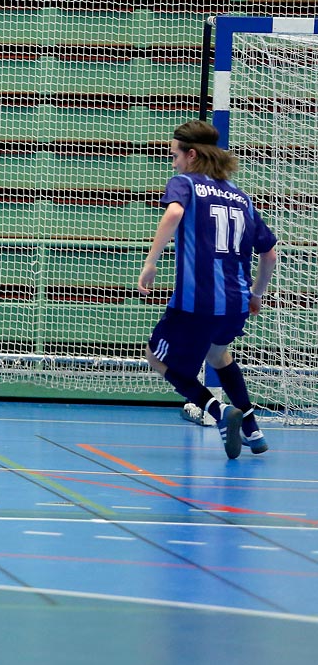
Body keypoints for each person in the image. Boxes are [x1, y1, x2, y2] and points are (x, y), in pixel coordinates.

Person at [137, 120, 279, 459]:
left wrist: (151, 261)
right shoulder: (241, 198)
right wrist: (256, 294)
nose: (173, 162)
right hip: (235, 302)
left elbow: (173, 213)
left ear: (191, 154)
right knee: (218, 355)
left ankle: (217, 412)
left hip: (197, 302)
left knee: (155, 357)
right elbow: (270, 254)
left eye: (175, 155)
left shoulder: (184, 183)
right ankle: (253, 429)